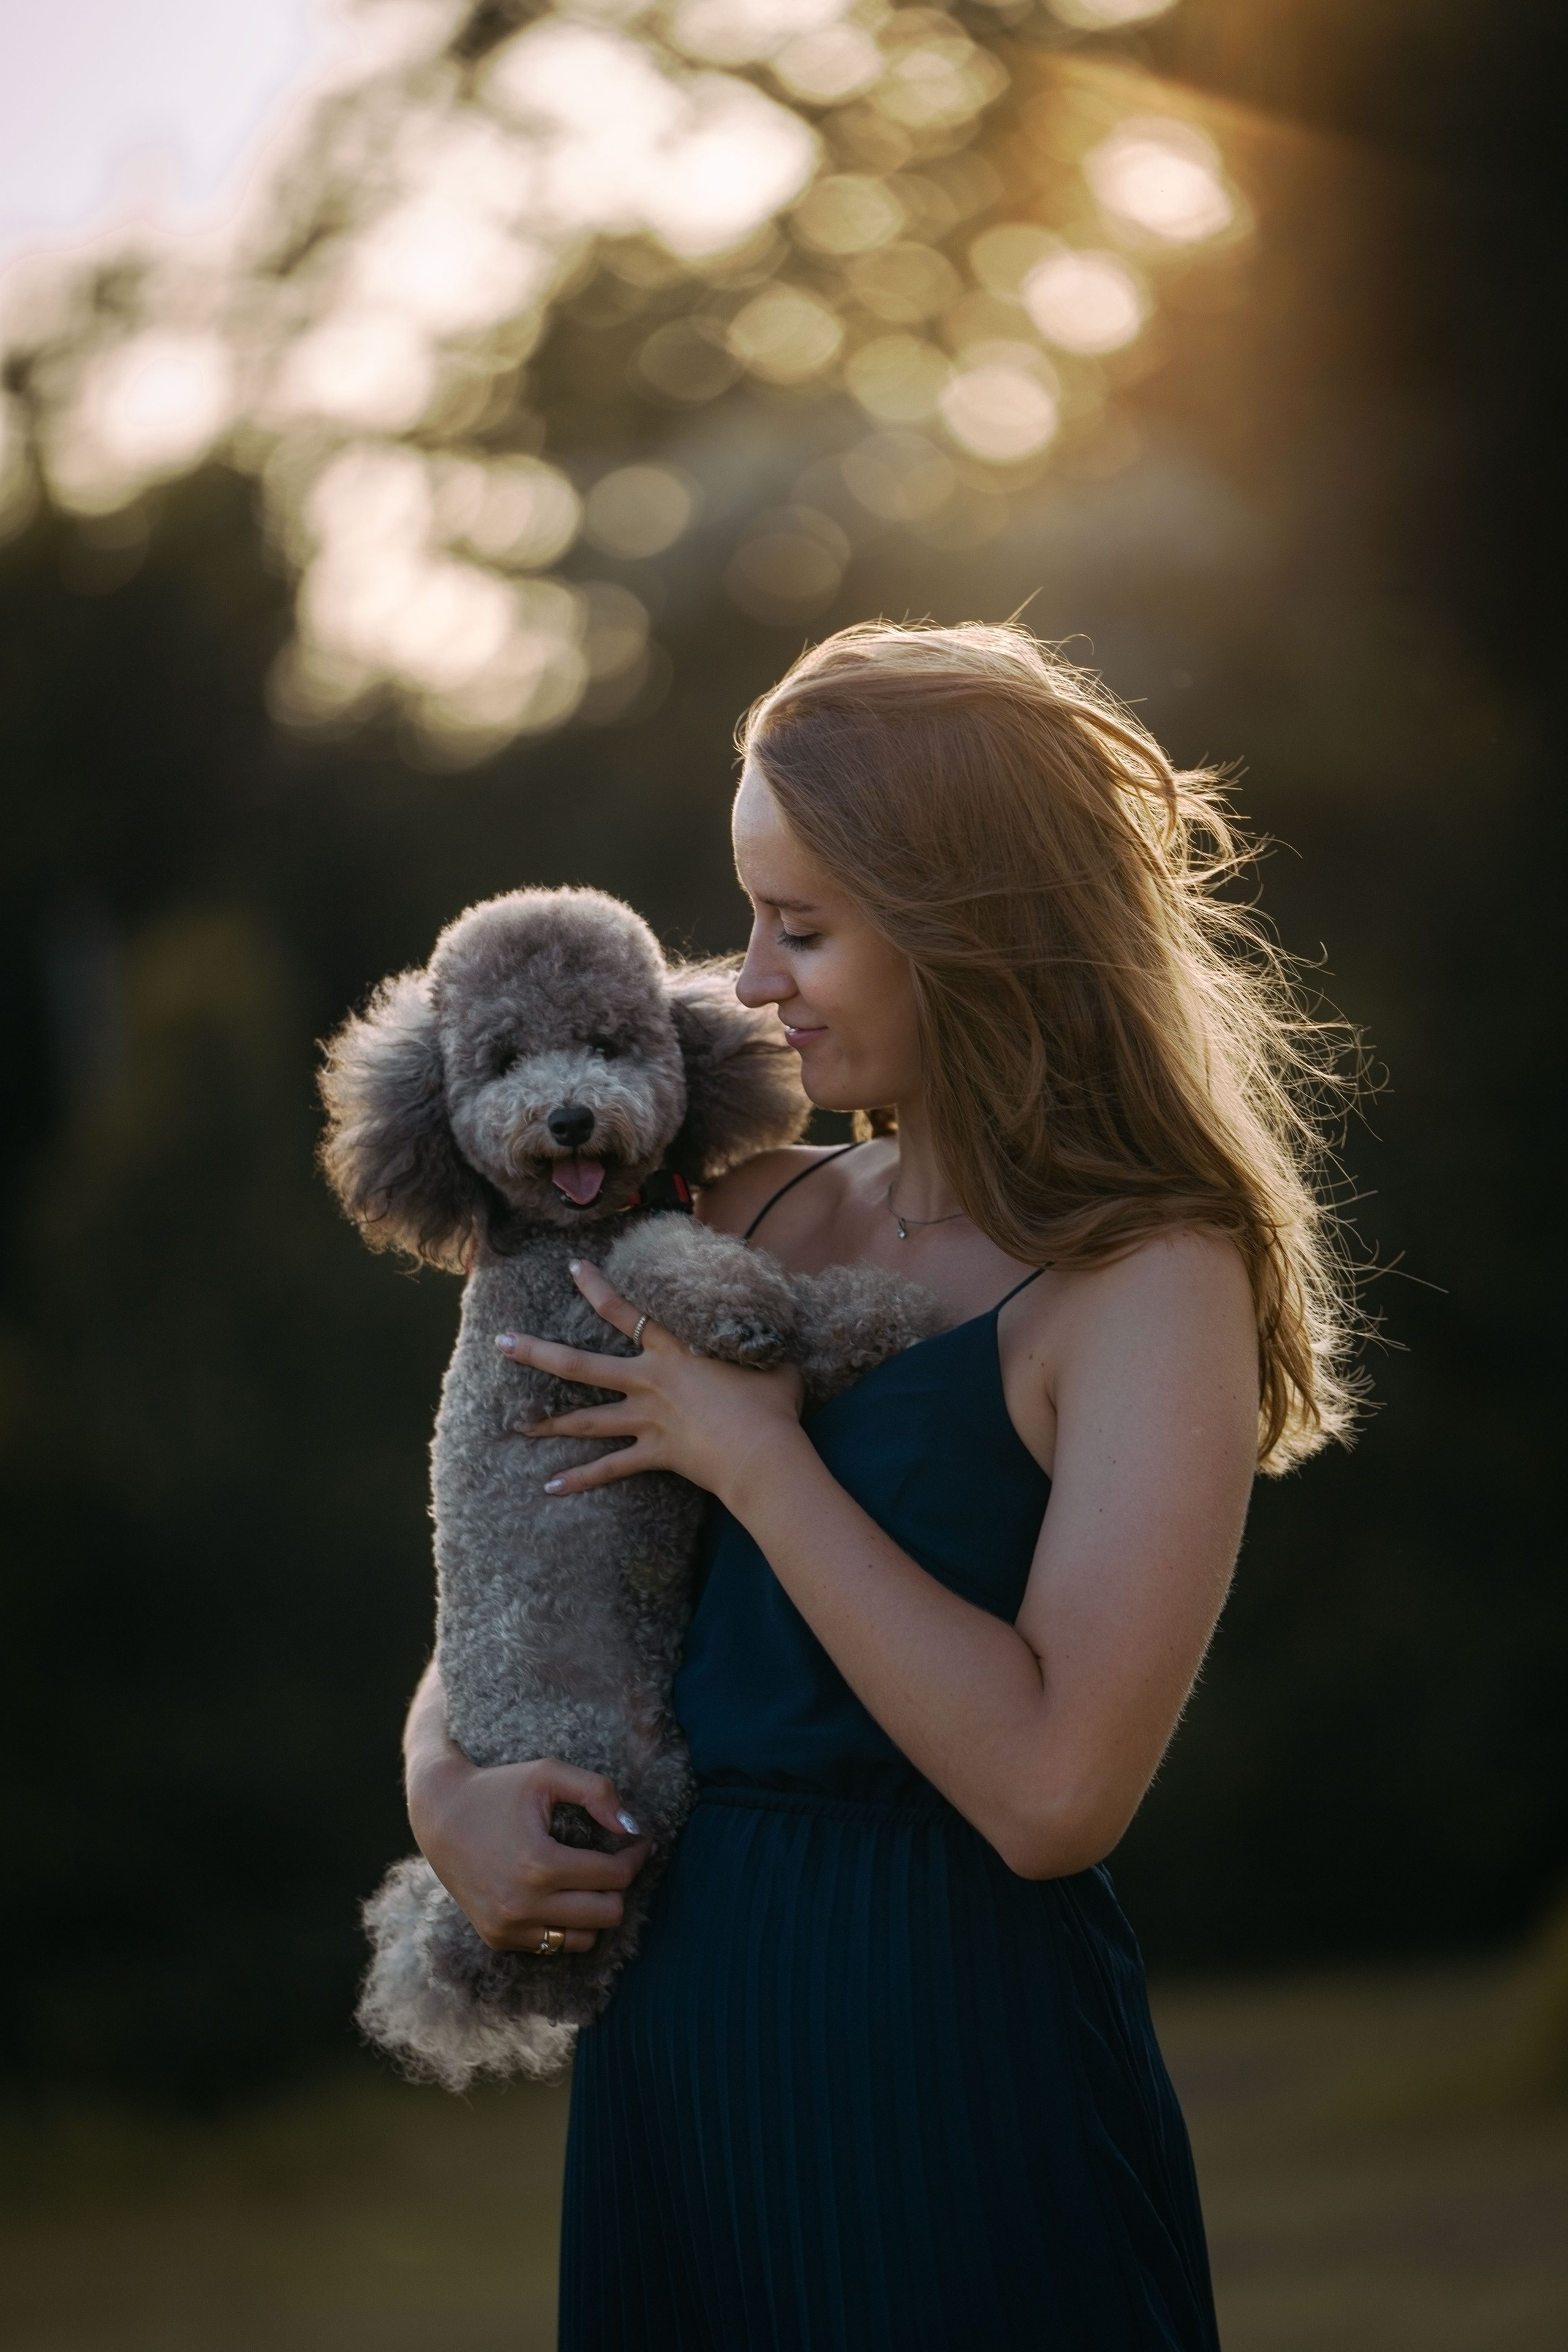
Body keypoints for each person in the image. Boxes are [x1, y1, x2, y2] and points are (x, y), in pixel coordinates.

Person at [402, 623, 1361, 2349]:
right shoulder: (749, 1204)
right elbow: (519, 1530)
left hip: (946, 2049)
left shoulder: (1150, 1278)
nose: (751, 982)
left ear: (972, 927)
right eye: (752, 917)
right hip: (677, 2051)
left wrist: (763, 1463)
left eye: (805, 926)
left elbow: (1059, 1792)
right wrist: (440, 1791)